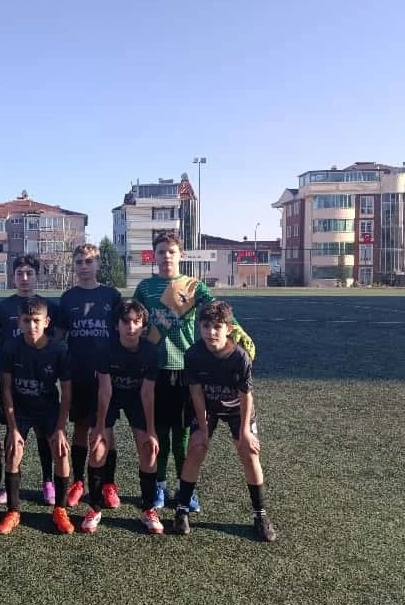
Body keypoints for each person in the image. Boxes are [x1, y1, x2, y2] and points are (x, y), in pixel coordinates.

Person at [133, 230, 255, 511]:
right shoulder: (145, 287)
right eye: (161, 252)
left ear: (181, 255)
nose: (166, 257)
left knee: (184, 435)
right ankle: (159, 485)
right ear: (154, 256)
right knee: (160, 433)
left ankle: (184, 488)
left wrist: (237, 330)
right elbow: (134, 318)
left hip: (186, 370)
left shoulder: (193, 286)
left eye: (171, 252)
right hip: (156, 369)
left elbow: (218, 310)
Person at [174, 300, 276, 542]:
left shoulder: (239, 357)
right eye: (206, 326)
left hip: (236, 409)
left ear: (228, 329)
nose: (211, 332)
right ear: (199, 327)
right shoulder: (193, 354)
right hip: (207, 407)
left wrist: (245, 432)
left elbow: (246, 396)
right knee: (196, 447)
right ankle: (182, 510)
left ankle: (260, 515)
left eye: (217, 327)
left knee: (248, 452)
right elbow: (196, 393)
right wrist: (202, 429)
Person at [80, 299, 164, 534]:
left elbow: (147, 393)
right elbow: (105, 391)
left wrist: (151, 430)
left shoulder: (151, 352)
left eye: (136, 322)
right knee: (98, 449)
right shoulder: (105, 349)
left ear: (143, 325)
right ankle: (95, 507)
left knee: (148, 448)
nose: (131, 327)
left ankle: (148, 509)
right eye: (125, 322)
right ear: (116, 325)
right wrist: (99, 428)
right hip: (110, 397)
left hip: (137, 398)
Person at [0, 254, 62, 505]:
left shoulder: (48, 305)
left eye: (29, 273)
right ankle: (10, 485)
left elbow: (60, 331)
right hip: (13, 378)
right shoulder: (3, 306)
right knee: (14, 435)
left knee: (44, 435)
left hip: (41, 380)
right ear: (13, 277)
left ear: (37, 276)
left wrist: (48, 348)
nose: (24, 278)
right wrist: (5, 340)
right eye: (20, 274)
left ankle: (48, 481)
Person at [0, 296, 73, 535]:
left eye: (36, 320)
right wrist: (12, 429)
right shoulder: (10, 348)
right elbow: (6, 389)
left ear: (46, 322)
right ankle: (13, 511)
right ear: (19, 322)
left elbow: (67, 392)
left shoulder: (58, 350)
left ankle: (60, 509)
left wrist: (60, 429)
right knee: (13, 451)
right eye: (27, 320)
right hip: (20, 409)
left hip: (47, 408)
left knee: (61, 451)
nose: (32, 326)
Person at [57, 244, 122, 509]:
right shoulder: (67, 298)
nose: (84, 267)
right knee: (81, 426)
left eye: (89, 262)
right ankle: (78, 482)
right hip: (78, 371)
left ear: (98, 264)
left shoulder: (111, 295)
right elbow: (59, 335)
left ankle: (108, 483)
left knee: (106, 428)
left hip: (105, 374)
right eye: (79, 262)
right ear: (74, 266)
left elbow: (121, 332)